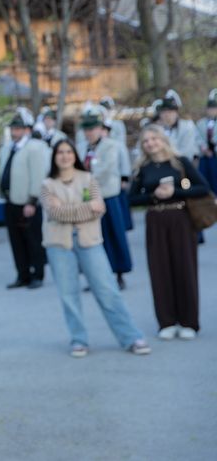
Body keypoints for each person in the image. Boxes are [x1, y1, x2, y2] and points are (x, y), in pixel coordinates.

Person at [40, 141, 151, 358]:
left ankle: (131, 337)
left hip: (89, 241)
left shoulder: (88, 179)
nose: (65, 156)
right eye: (60, 152)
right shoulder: (47, 184)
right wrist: (85, 208)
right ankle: (78, 339)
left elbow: (99, 208)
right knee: (68, 295)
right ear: (54, 157)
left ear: (75, 155)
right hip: (59, 244)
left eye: (69, 152)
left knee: (108, 291)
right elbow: (55, 213)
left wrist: (70, 209)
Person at [129, 125, 208, 340]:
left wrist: (176, 191)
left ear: (163, 140)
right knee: (159, 269)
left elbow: (203, 188)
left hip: (180, 219)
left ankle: (189, 321)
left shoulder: (179, 163)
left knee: (185, 268)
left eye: (154, 138)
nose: (150, 143)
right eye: (146, 141)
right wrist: (153, 196)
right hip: (156, 220)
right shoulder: (142, 169)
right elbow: (131, 199)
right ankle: (166, 321)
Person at [0, 110, 48, 290]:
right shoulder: (8, 148)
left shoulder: (35, 147)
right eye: (13, 128)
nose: (14, 132)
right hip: (10, 201)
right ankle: (22, 274)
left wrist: (32, 201)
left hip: (27, 203)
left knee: (32, 239)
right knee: (16, 241)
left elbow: (38, 176)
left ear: (26, 129)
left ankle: (37, 274)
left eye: (18, 128)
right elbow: (1, 170)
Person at [76, 113, 132, 290]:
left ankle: (118, 274)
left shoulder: (111, 146)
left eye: (92, 129)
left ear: (101, 129)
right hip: (87, 198)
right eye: (86, 130)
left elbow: (105, 170)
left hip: (107, 196)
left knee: (113, 235)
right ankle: (95, 276)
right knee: (91, 239)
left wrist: (83, 179)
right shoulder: (81, 147)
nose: (89, 133)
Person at [158, 89, 201, 162]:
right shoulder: (158, 128)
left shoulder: (187, 126)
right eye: (164, 112)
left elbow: (187, 152)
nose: (166, 114)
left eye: (170, 111)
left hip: (184, 164)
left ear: (176, 113)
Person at [196, 90, 217, 192]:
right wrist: (204, 148)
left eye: (214, 109)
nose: (212, 111)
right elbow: (197, 137)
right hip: (204, 155)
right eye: (210, 109)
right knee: (204, 177)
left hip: (215, 154)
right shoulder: (200, 123)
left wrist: (212, 145)